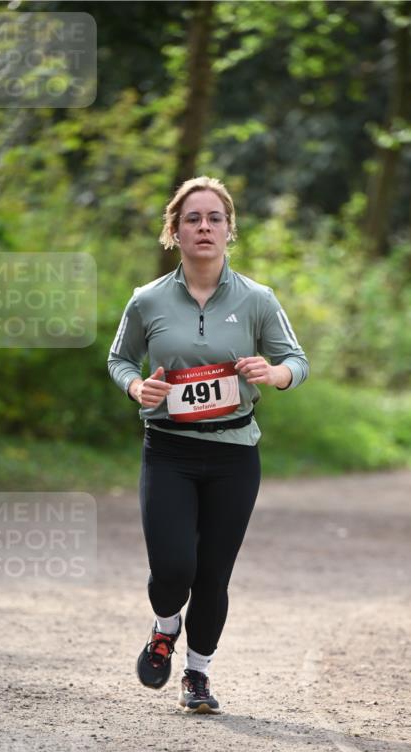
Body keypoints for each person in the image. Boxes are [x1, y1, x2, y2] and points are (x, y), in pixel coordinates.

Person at [107, 176, 309, 714]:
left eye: (214, 218)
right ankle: (164, 627)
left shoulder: (258, 299)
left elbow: (297, 361)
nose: (203, 227)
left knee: (214, 575)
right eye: (192, 219)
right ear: (174, 231)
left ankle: (197, 675)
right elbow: (119, 359)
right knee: (174, 568)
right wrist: (136, 386)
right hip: (168, 451)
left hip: (234, 454)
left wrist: (274, 374)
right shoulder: (147, 299)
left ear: (229, 229)